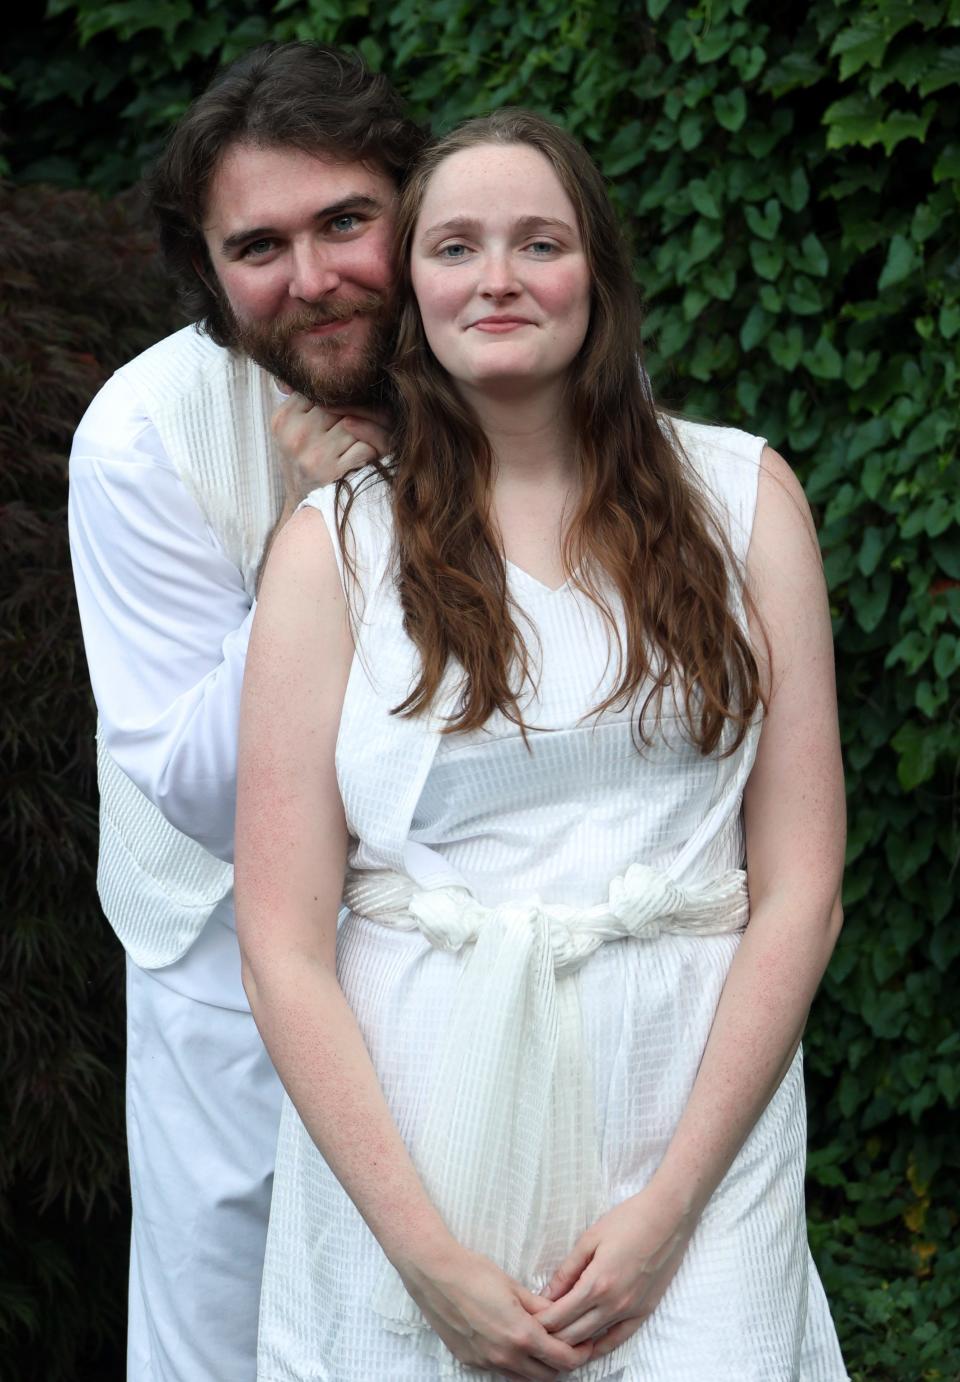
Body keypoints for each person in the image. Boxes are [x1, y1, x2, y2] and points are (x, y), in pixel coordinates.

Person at [236, 109, 849, 1381]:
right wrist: (426, 1257)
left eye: (540, 242)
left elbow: (800, 886)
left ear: (600, 277)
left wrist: (672, 1202)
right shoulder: (334, 549)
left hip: (685, 1116)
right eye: (455, 246)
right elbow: (284, 939)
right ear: (414, 290)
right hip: (415, 1127)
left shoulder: (745, 499)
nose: (498, 277)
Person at [67, 42, 423, 1380]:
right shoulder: (143, 435)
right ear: (208, 271)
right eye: (259, 244)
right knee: (220, 1321)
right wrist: (335, 530)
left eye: (346, 220)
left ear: (410, 201)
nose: (314, 275)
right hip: (219, 952)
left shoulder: (512, 372)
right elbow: (204, 786)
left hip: (462, 921)